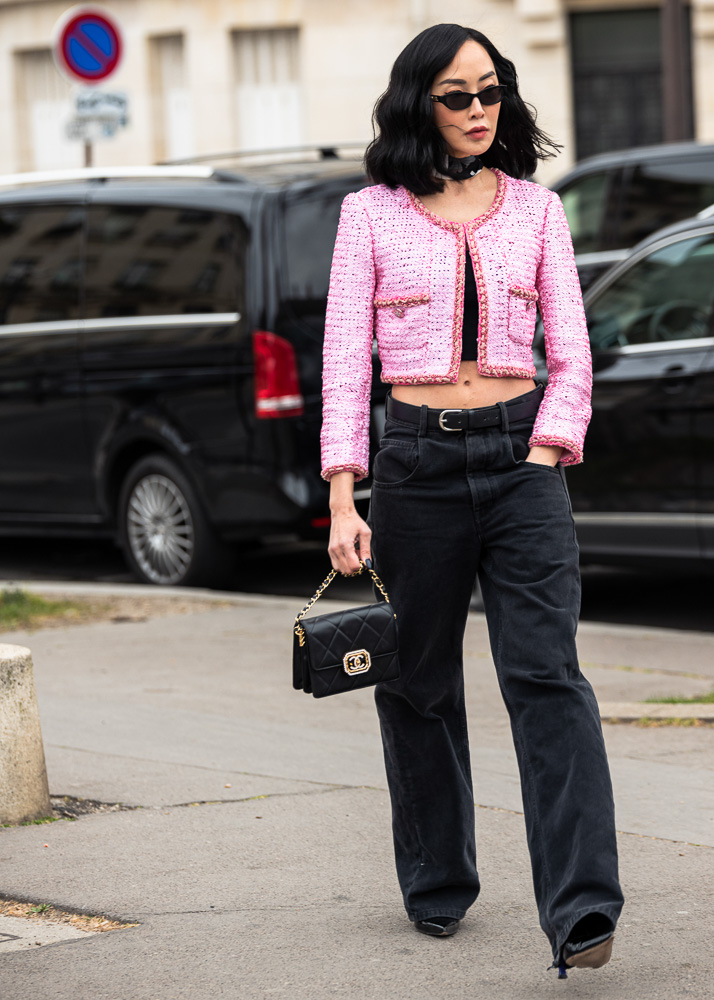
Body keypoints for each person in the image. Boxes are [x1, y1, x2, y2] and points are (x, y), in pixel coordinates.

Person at [320, 23, 624, 978]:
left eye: (490, 91)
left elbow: (572, 354)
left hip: (522, 460)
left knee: (547, 678)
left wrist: (545, 450)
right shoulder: (369, 214)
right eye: (458, 96)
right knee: (418, 685)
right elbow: (342, 365)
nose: (479, 110)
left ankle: (581, 912)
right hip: (413, 463)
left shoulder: (537, 210)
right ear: (420, 103)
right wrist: (343, 498)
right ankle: (439, 883)